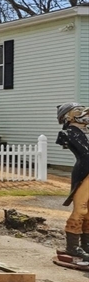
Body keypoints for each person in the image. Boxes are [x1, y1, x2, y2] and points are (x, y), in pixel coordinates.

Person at [56, 103, 89, 262]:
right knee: (80, 209)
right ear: (68, 116)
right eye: (77, 110)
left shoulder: (86, 132)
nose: (83, 113)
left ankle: (86, 244)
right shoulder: (68, 133)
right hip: (84, 172)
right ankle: (72, 246)